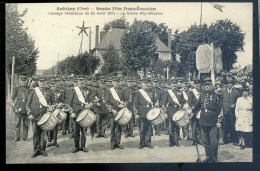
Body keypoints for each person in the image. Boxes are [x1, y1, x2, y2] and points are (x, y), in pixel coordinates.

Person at [194, 79, 221, 163]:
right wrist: (192, 113)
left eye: (209, 85)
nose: (207, 86)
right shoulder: (202, 95)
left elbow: (220, 109)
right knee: (205, 141)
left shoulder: (216, 95)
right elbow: (197, 107)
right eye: (205, 85)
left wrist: (219, 120)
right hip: (203, 120)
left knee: (213, 141)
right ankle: (208, 156)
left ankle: (214, 158)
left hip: (213, 120)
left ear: (212, 86)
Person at [26, 79, 55, 158]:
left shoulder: (50, 91)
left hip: (45, 116)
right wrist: (30, 114)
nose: (42, 83)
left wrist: (52, 107)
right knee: (35, 134)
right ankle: (36, 150)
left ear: (46, 82)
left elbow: (53, 102)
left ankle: (42, 150)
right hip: (35, 116)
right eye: (41, 82)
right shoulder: (33, 91)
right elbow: (28, 104)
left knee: (43, 134)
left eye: (44, 82)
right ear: (38, 83)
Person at [68, 78, 91, 153]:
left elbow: (91, 101)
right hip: (76, 114)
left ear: (85, 81)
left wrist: (90, 105)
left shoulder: (88, 90)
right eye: (80, 81)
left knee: (84, 131)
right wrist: (72, 112)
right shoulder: (74, 91)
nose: (81, 82)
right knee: (76, 131)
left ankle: (83, 146)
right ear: (77, 82)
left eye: (83, 81)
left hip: (84, 113)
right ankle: (76, 147)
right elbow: (69, 104)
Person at [105, 76, 125, 150]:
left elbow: (125, 100)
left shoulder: (121, 91)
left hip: (119, 112)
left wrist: (123, 105)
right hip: (112, 113)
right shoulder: (109, 91)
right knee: (112, 128)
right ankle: (112, 144)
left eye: (117, 81)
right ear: (112, 82)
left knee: (119, 128)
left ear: (119, 82)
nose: (116, 83)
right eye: (114, 81)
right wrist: (112, 110)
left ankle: (118, 143)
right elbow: (106, 102)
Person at [134, 79, 154, 149]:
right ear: (142, 84)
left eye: (148, 83)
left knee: (149, 129)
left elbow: (154, 101)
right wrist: (136, 113)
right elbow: (135, 104)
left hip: (149, 113)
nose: (147, 85)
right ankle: (142, 143)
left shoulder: (151, 92)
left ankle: (148, 142)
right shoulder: (138, 92)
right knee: (142, 129)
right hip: (142, 113)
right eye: (145, 83)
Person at [162, 79, 183, 147]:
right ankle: (171, 142)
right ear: (170, 85)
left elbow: (183, 101)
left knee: (177, 127)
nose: (174, 85)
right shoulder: (168, 92)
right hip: (170, 111)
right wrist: (165, 110)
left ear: (177, 84)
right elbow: (164, 103)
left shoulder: (180, 92)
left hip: (177, 111)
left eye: (175, 83)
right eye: (172, 83)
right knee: (171, 128)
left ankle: (177, 141)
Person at [221, 78, 240, 145]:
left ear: (232, 84)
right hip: (225, 111)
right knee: (225, 126)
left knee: (233, 126)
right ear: (226, 85)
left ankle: (234, 140)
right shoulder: (223, 91)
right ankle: (225, 140)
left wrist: (234, 104)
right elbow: (221, 100)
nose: (229, 85)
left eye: (231, 84)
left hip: (232, 112)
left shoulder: (236, 92)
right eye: (228, 84)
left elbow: (238, 101)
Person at [12, 76, 30, 142]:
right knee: (17, 123)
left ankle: (25, 137)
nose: (23, 82)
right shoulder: (17, 88)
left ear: (26, 81)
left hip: (26, 108)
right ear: (20, 81)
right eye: (22, 81)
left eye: (25, 81)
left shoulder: (29, 89)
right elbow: (13, 97)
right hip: (18, 108)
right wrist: (14, 104)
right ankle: (17, 137)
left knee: (26, 124)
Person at [235, 86, 252, 150]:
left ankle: (248, 142)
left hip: (248, 115)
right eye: (243, 92)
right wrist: (237, 116)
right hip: (241, 115)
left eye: (246, 92)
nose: (244, 94)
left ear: (248, 93)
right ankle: (243, 143)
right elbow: (236, 109)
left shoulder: (251, 99)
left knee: (247, 130)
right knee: (241, 130)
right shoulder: (239, 99)